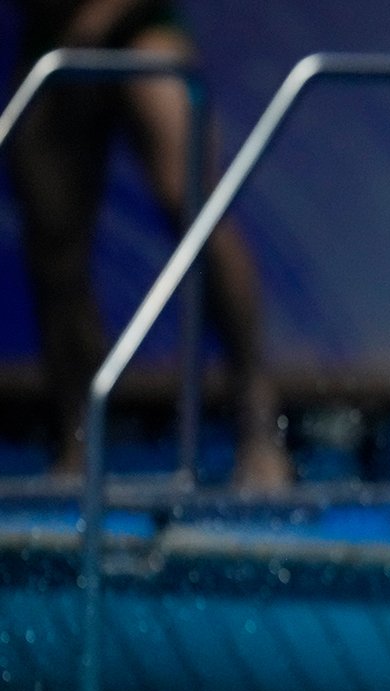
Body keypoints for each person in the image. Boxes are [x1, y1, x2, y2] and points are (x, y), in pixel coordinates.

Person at [5, 0, 292, 488]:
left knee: (192, 200)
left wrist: (100, 18)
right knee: (55, 246)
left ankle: (261, 427)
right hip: (52, 32)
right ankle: (79, 442)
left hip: (140, 23)